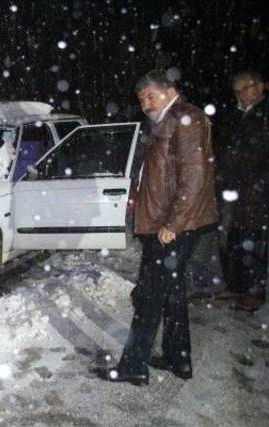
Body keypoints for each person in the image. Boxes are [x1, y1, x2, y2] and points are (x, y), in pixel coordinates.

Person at [101, 70, 218, 385]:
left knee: (150, 296)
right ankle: (178, 360)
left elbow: (194, 176)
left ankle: (133, 366)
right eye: (141, 99)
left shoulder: (187, 119)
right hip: (164, 222)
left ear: (171, 90)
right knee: (171, 292)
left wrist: (173, 223)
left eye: (151, 95)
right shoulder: (163, 121)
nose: (145, 103)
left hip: (172, 225)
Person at [215, 71, 269, 312]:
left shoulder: (264, 115)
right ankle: (235, 285)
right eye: (236, 91)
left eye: (243, 89)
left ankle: (255, 292)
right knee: (233, 240)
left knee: (255, 245)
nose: (239, 95)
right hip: (235, 192)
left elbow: (256, 154)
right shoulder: (238, 116)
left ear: (258, 87)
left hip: (258, 193)